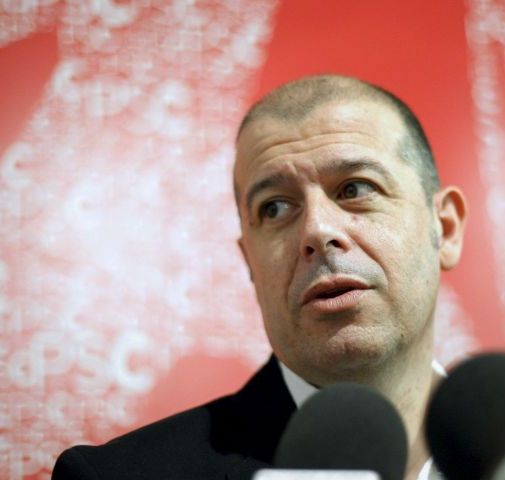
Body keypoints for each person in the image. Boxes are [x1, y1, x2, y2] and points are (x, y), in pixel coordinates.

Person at [52, 74, 468, 480]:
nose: (317, 230)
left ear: (445, 229)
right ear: (250, 261)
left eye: (355, 189)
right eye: (275, 208)